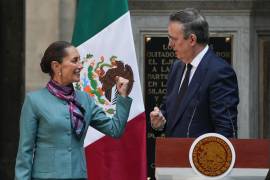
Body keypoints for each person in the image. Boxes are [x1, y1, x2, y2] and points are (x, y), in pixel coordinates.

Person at [15, 41, 132, 179]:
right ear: (56, 66)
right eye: (75, 61)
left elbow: (115, 130)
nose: (81, 66)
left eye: (80, 60)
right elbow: (25, 152)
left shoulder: (85, 100)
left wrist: (122, 95)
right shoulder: (34, 101)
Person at [150, 8, 239, 138]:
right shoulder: (176, 67)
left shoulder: (219, 72)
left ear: (192, 39)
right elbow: (169, 111)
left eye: (173, 39)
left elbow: (225, 130)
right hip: (171, 154)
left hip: (201, 156)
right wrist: (159, 121)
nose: (170, 45)